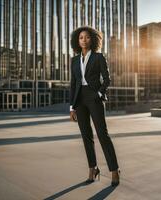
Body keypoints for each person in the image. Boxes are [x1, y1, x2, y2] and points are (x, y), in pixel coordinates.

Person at [69, 26, 120, 187]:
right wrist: (72, 107)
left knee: (102, 135)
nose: (84, 40)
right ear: (77, 41)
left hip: (94, 98)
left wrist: (99, 94)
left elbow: (107, 79)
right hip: (79, 100)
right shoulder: (74, 60)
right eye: (81, 37)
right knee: (86, 137)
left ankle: (114, 170)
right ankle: (93, 168)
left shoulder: (98, 57)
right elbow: (73, 83)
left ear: (93, 39)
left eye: (87, 37)